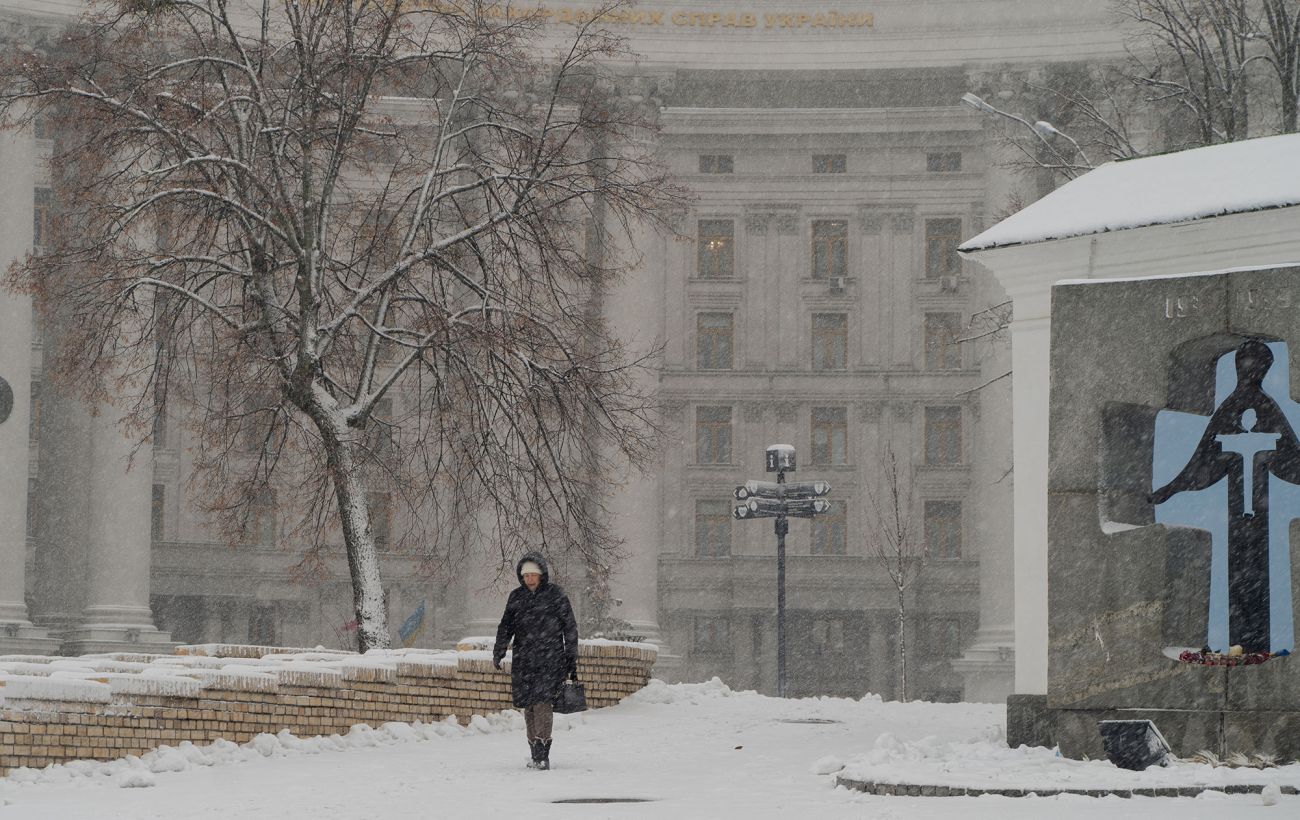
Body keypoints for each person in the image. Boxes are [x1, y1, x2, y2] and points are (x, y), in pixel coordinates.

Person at [492, 552, 578, 770]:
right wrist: (499, 651)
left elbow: (569, 626)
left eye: (533, 575)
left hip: (550, 659)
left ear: (541, 575)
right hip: (524, 659)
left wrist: (571, 656)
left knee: (542, 704)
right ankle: (534, 752)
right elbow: (506, 626)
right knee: (529, 705)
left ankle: (543, 754)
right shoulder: (516, 597)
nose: (530, 579)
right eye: (526, 575)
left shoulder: (555, 595)